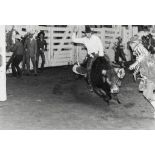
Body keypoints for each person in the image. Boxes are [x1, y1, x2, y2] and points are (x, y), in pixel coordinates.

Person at [72, 25, 104, 91]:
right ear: (85, 33)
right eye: (86, 33)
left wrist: (101, 56)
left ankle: (97, 82)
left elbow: (100, 46)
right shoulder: (84, 39)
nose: (88, 34)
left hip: (97, 54)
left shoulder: (96, 38)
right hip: (90, 55)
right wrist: (74, 32)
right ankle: (90, 84)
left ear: (91, 33)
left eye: (89, 33)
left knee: (93, 67)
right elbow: (74, 40)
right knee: (87, 67)